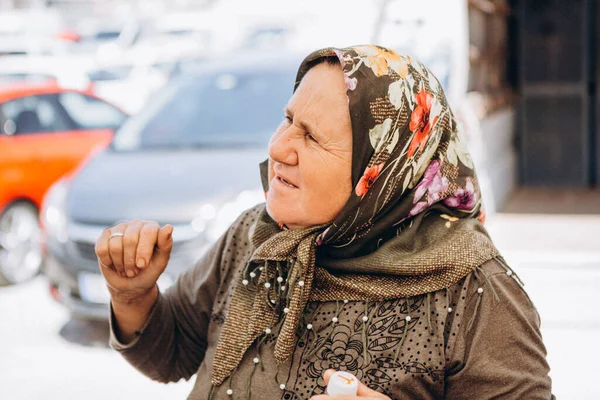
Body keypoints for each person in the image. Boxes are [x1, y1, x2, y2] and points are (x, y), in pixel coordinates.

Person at [96, 45, 554, 399]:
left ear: (380, 173)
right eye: (288, 119)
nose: (278, 147)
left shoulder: (473, 289)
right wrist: (133, 297)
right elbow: (174, 351)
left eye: (311, 136)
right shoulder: (257, 235)